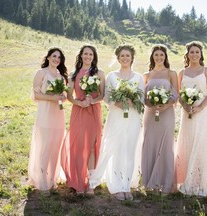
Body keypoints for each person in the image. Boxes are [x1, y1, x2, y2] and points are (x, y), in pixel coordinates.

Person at [89, 45, 144, 201]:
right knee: (115, 147)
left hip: (132, 118)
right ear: (118, 58)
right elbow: (106, 96)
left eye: (127, 55)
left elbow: (141, 98)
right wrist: (117, 102)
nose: (125, 58)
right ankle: (117, 186)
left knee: (129, 149)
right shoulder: (112, 76)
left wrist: (132, 101)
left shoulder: (138, 77)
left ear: (132, 58)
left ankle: (126, 184)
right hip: (116, 116)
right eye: (122, 56)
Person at [60, 45, 105, 194]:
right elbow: (69, 96)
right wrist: (80, 102)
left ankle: (91, 183)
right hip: (79, 111)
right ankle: (79, 181)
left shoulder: (99, 73)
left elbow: (102, 95)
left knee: (92, 146)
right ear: (81, 56)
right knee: (79, 146)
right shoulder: (73, 74)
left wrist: (91, 101)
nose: (88, 56)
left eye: (91, 54)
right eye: (85, 54)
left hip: (94, 111)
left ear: (94, 57)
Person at [174, 41, 207, 196]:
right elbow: (178, 93)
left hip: (202, 112)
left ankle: (198, 184)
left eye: (197, 52)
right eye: (192, 52)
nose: (194, 55)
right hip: (187, 112)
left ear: (201, 54)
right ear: (187, 54)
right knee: (186, 142)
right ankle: (185, 180)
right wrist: (184, 105)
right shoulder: (182, 73)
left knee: (199, 143)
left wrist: (200, 107)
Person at [28, 47, 68, 191]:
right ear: (48, 57)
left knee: (55, 146)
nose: (56, 59)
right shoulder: (41, 73)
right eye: (54, 56)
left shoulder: (61, 77)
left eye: (59, 57)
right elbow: (36, 95)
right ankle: (41, 179)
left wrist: (62, 97)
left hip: (58, 114)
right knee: (45, 146)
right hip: (45, 113)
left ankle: (52, 177)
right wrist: (52, 97)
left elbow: (63, 97)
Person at [141, 45, 179, 194]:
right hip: (150, 114)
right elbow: (143, 97)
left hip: (167, 113)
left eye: (161, 55)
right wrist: (150, 104)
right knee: (150, 144)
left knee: (166, 145)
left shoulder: (171, 73)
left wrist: (166, 105)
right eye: (156, 55)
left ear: (165, 56)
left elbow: (176, 94)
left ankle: (165, 183)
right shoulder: (146, 75)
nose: (159, 57)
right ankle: (150, 182)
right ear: (152, 57)